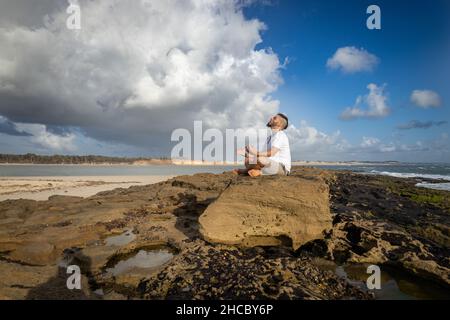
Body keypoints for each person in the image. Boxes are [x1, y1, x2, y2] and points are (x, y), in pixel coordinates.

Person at [233, 113, 291, 177]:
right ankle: (257, 171)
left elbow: (271, 153)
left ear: (280, 124)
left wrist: (256, 153)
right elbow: (263, 155)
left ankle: (250, 171)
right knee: (247, 160)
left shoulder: (280, 135)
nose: (271, 118)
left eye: (274, 118)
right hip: (268, 164)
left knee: (260, 159)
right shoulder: (269, 138)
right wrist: (247, 153)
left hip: (282, 167)